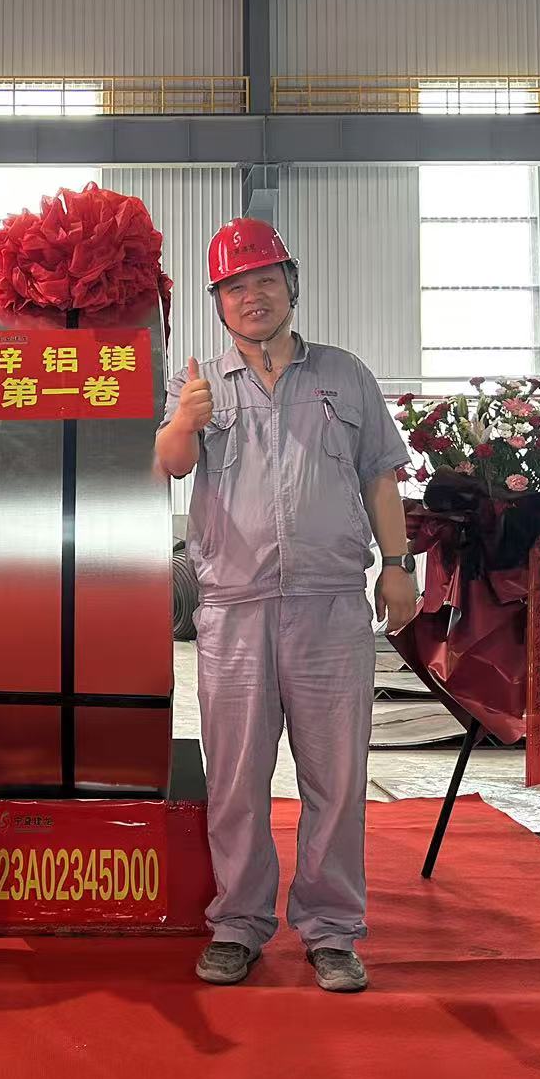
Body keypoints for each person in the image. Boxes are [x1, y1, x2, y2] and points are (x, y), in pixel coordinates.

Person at [154, 217, 417, 994]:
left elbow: (380, 476)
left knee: (336, 776)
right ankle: (238, 923)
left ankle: (331, 929)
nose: (252, 297)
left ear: (290, 287)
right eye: (235, 287)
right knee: (237, 777)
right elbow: (168, 465)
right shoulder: (199, 383)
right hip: (233, 609)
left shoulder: (344, 374)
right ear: (218, 303)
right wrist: (184, 419)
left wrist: (398, 566)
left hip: (330, 605)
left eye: (265, 280)